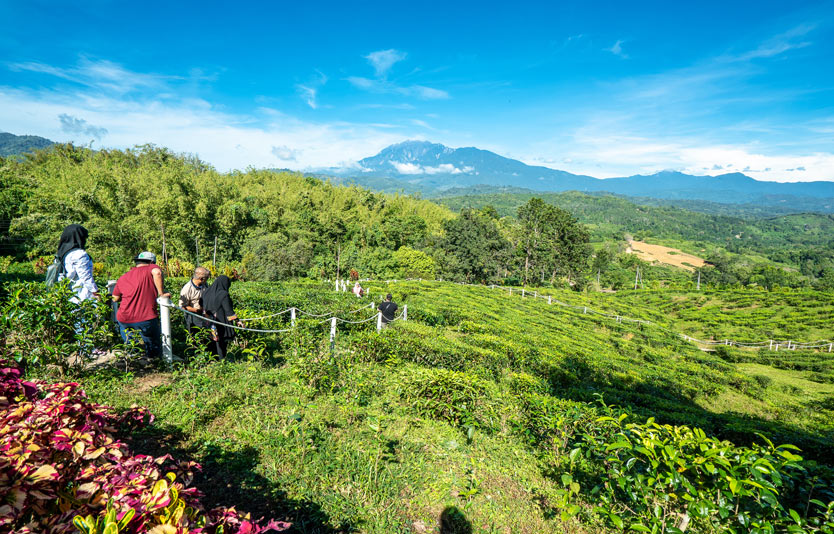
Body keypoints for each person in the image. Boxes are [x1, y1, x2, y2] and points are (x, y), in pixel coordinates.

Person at [112, 251, 169, 360]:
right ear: (152, 261)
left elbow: (115, 298)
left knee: (130, 341)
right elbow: (157, 272)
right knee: (151, 340)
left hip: (124, 318)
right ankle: (153, 359)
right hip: (145, 317)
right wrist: (161, 293)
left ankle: (132, 358)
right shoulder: (150, 267)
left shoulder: (124, 276)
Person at [201, 275, 244, 359]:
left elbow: (201, 304)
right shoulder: (223, 294)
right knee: (221, 344)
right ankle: (222, 362)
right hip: (220, 322)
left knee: (212, 343)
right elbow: (229, 311)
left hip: (208, 321)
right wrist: (238, 320)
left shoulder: (206, 292)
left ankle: (211, 361)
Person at [56, 224, 100, 304]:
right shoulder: (79, 254)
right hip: (80, 295)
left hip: (67, 293)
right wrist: (96, 292)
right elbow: (86, 277)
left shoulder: (62, 254)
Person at [179, 266, 210, 335]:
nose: (208, 279)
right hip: (193, 317)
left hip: (204, 315)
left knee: (205, 335)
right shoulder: (187, 289)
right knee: (195, 336)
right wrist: (196, 310)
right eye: (207, 278)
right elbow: (182, 306)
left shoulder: (205, 284)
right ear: (201, 278)